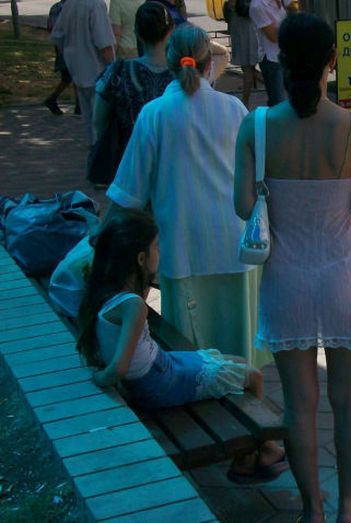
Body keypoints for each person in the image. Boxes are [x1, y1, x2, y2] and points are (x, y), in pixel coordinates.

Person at [234, 13, 351, 523]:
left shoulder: (255, 126)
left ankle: (312, 513)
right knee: (350, 402)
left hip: (287, 278)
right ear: (332, 61)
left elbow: (241, 206)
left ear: (279, 58)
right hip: (344, 275)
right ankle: (348, 510)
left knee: (300, 406)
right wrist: (345, 191)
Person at [76, 209, 287, 483]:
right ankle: (252, 457)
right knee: (253, 376)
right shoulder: (133, 306)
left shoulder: (106, 292)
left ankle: (259, 451)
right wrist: (100, 380)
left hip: (160, 367)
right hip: (159, 383)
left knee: (232, 362)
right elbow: (119, 367)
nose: (160, 252)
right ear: (141, 259)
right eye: (156, 247)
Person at [106, 24, 264, 367]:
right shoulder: (234, 109)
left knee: (193, 358)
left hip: (182, 251)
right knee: (239, 351)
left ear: (170, 63)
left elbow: (128, 193)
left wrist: (99, 232)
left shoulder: (155, 114)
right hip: (234, 245)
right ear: (209, 64)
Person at [93, 1, 175, 174]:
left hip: (130, 164)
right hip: (174, 165)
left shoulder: (117, 73)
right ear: (171, 31)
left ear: (137, 32)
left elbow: (98, 120)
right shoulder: (184, 74)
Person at [49, 0, 115, 145]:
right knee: (100, 122)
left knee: (88, 119)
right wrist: (114, 68)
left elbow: (58, 36)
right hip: (97, 70)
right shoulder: (95, 5)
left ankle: (93, 151)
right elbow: (104, 44)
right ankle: (99, 155)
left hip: (77, 69)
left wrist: (70, 56)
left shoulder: (69, 4)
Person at [44, 0, 80, 116]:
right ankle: (54, 99)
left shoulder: (57, 7)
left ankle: (78, 104)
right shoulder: (61, 7)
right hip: (65, 44)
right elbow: (53, 28)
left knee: (71, 75)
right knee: (70, 75)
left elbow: (51, 28)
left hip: (66, 44)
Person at [249, 0, 287, 106]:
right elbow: (273, 36)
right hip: (272, 60)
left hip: (286, 56)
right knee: (278, 103)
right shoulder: (257, 6)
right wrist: (292, 26)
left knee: (291, 102)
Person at [225, 0, 262, 108]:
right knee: (248, 68)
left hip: (246, 30)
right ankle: (245, 98)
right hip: (245, 28)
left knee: (247, 68)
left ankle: (245, 101)